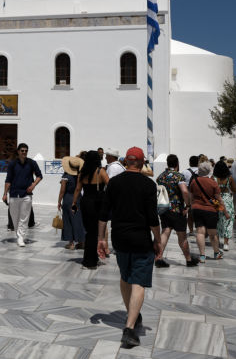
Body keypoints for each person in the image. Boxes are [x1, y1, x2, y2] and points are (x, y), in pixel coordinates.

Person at [97, 146, 162, 348]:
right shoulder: (149, 185)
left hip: (120, 238)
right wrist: (158, 239)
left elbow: (103, 213)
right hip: (141, 239)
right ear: (142, 163)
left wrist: (101, 239)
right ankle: (130, 328)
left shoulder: (114, 183)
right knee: (139, 282)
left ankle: (132, 315)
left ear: (126, 162)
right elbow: (152, 217)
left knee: (126, 277)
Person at [155, 154, 198, 268]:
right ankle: (189, 260)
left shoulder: (160, 177)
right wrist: (188, 205)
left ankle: (159, 257)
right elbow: (184, 191)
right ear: (177, 163)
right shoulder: (179, 176)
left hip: (164, 209)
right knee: (182, 236)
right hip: (177, 209)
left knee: (165, 232)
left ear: (167, 163)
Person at [72, 150, 109, 268]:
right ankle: (90, 261)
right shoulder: (101, 171)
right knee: (95, 233)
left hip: (85, 203)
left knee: (89, 232)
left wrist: (73, 203)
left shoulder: (82, 173)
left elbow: (78, 189)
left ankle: (91, 257)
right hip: (97, 203)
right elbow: (110, 185)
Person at [2, 143, 42, 247]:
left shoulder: (32, 163)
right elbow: (8, 180)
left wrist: (33, 185)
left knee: (24, 217)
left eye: (26, 151)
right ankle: (18, 234)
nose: (24, 152)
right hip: (14, 194)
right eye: (22, 150)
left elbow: (39, 176)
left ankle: (21, 237)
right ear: (18, 151)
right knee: (14, 216)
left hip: (26, 194)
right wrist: (5, 193)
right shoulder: (12, 164)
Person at [190, 161, 225, 262]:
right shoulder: (213, 183)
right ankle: (216, 253)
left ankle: (202, 255)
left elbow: (191, 197)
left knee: (200, 232)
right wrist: (223, 209)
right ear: (210, 170)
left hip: (197, 209)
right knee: (212, 234)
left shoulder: (194, 181)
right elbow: (219, 199)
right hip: (210, 210)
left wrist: (191, 206)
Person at [56, 156, 85, 250]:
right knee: (77, 219)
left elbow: (62, 190)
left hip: (68, 200)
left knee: (68, 220)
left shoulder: (66, 176)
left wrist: (59, 201)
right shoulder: (80, 175)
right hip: (77, 200)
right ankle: (81, 242)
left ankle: (71, 243)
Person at [213, 160, 236, 251]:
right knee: (228, 222)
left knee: (218, 222)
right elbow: (234, 189)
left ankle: (218, 242)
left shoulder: (213, 178)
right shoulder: (229, 178)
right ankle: (226, 243)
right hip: (227, 200)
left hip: (216, 201)